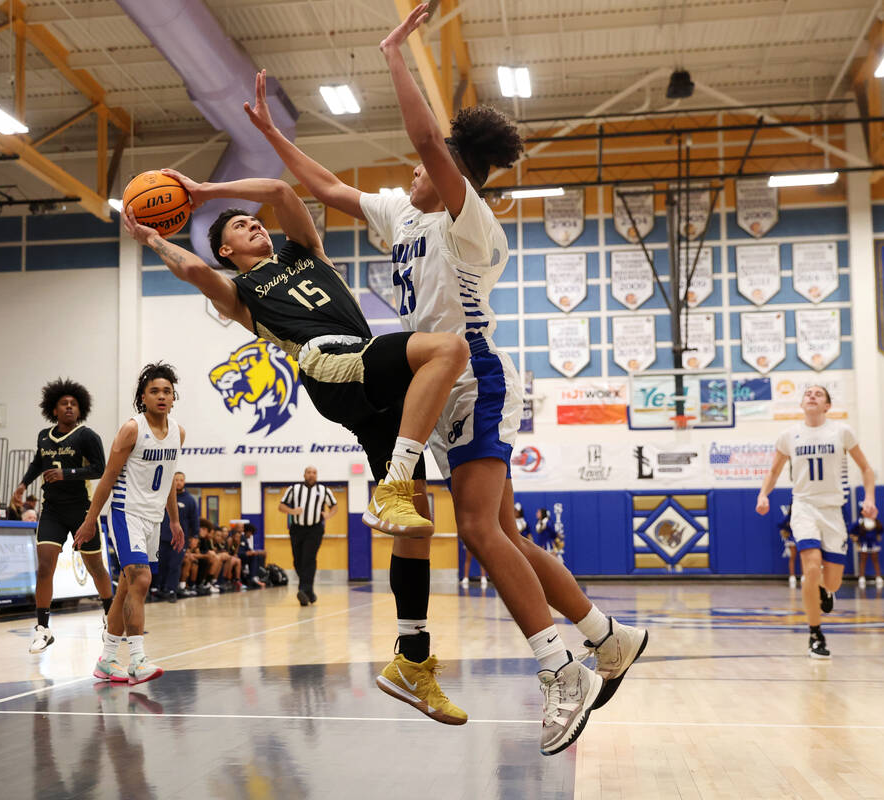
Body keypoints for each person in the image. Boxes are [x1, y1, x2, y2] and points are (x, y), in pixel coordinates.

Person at [245, 7, 645, 753]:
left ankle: (563, 671)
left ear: (451, 174)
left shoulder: (470, 219)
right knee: (508, 537)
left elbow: (429, 140)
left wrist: (396, 51)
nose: (411, 174)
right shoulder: (402, 213)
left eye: (426, 168)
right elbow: (327, 186)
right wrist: (271, 136)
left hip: (477, 379)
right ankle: (605, 638)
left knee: (479, 533)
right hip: (452, 384)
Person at [122, 161, 468, 722]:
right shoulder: (238, 291)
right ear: (227, 251)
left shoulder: (305, 254)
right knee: (448, 350)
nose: (253, 226)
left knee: (416, 527)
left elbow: (282, 189)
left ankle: (411, 658)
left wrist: (207, 189)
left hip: (364, 370)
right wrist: (154, 236)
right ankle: (395, 483)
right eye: (239, 227)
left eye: (253, 222)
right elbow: (190, 269)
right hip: (330, 363)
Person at [74, 363, 185, 685]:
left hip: (154, 517)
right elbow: (108, 477)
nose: (161, 396)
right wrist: (90, 519)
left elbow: (165, 483)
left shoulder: (178, 432)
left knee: (125, 589)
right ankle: (137, 660)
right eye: (155, 391)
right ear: (143, 397)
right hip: (126, 512)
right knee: (141, 578)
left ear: (174, 397)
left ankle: (107, 660)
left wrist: (174, 522)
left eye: (167, 391)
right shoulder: (131, 429)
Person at [757, 385, 877, 659]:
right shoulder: (789, 436)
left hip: (834, 510)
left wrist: (869, 497)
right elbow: (774, 470)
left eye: (818, 394)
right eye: (808, 393)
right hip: (804, 508)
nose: (812, 396)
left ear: (827, 406)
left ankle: (827, 590)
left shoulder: (842, 432)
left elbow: (866, 468)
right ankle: (815, 633)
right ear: (802, 404)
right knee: (810, 568)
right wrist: (763, 494)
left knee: (832, 582)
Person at [12, 378, 113, 655]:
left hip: (82, 509)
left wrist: (67, 474)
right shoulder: (44, 436)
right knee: (44, 568)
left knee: (95, 568)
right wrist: (22, 484)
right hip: (52, 510)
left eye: (74, 404)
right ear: (53, 409)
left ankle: (110, 617)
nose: (69, 407)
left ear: (80, 410)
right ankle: (43, 629)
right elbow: (37, 462)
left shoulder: (87, 436)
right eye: (64, 404)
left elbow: (100, 469)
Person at [277, 466, 338, 605]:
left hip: (315, 529)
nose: (311, 475)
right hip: (297, 529)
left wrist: (328, 515)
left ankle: (303, 590)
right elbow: (281, 506)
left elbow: (334, 506)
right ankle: (309, 592)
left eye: (314, 473)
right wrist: (292, 511)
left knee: (308, 558)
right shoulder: (294, 489)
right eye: (309, 472)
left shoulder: (323, 490)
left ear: (317, 475)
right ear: (304, 474)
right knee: (297, 561)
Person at [155, 471, 197, 602]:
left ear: (184, 482)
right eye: (176, 480)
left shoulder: (189, 500)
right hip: (163, 537)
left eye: (181, 480)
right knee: (161, 564)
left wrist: (195, 537)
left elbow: (194, 520)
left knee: (175, 565)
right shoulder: (163, 496)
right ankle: (160, 589)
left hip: (179, 540)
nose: (178, 482)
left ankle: (172, 590)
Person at [850, 515, 884, 588]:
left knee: (875, 560)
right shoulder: (860, 521)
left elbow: (881, 529)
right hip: (864, 543)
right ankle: (862, 577)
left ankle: (878, 577)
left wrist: (878, 535)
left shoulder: (875, 520)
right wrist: (854, 536)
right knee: (863, 560)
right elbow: (851, 529)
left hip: (873, 543)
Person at [779, 503, 798, 588]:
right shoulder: (789, 517)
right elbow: (780, 524)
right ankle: (792, 577)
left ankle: (805, 576)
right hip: (792, 538)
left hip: (801, 537)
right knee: (793, 557)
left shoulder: (802, 516)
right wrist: (787, 529)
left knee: (804, 557)